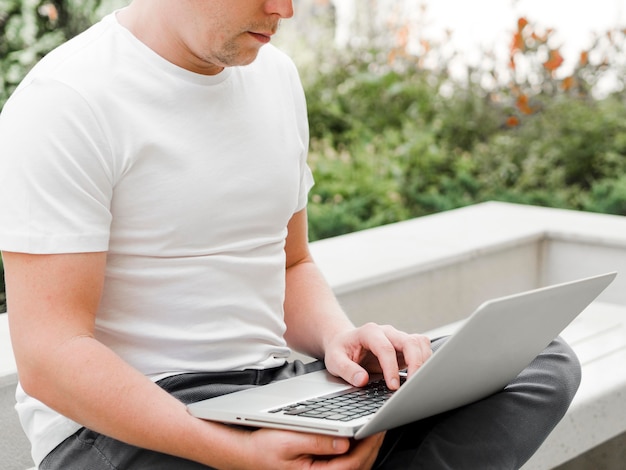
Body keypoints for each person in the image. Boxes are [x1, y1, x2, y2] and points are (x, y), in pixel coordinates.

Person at [0, 1, 581, 469]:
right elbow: (51, 356)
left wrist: (340, 340)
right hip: (129, 426)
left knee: (537, 359)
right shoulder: (68, 100)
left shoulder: (274, 75)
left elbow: (290, 265)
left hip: (275, 390)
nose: (286, 9)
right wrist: (236, 452)